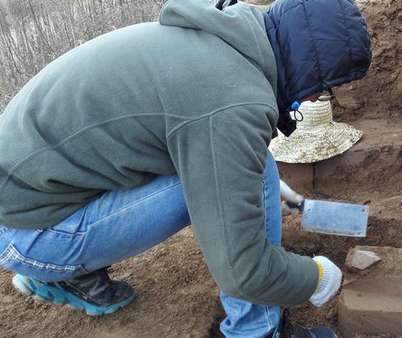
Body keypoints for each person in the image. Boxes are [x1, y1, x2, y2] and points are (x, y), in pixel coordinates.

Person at [0, 0, 371, 336]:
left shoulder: (221, 38)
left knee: (244, 166)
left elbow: (195, 126)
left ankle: (65, 275)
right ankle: (254, 330)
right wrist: (318, 277)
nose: (314, 99)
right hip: (27, 234)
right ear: (309, 68)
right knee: (254, 171)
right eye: (322, 88)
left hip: (29, 196)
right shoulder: (232, 103)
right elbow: (244, 272)